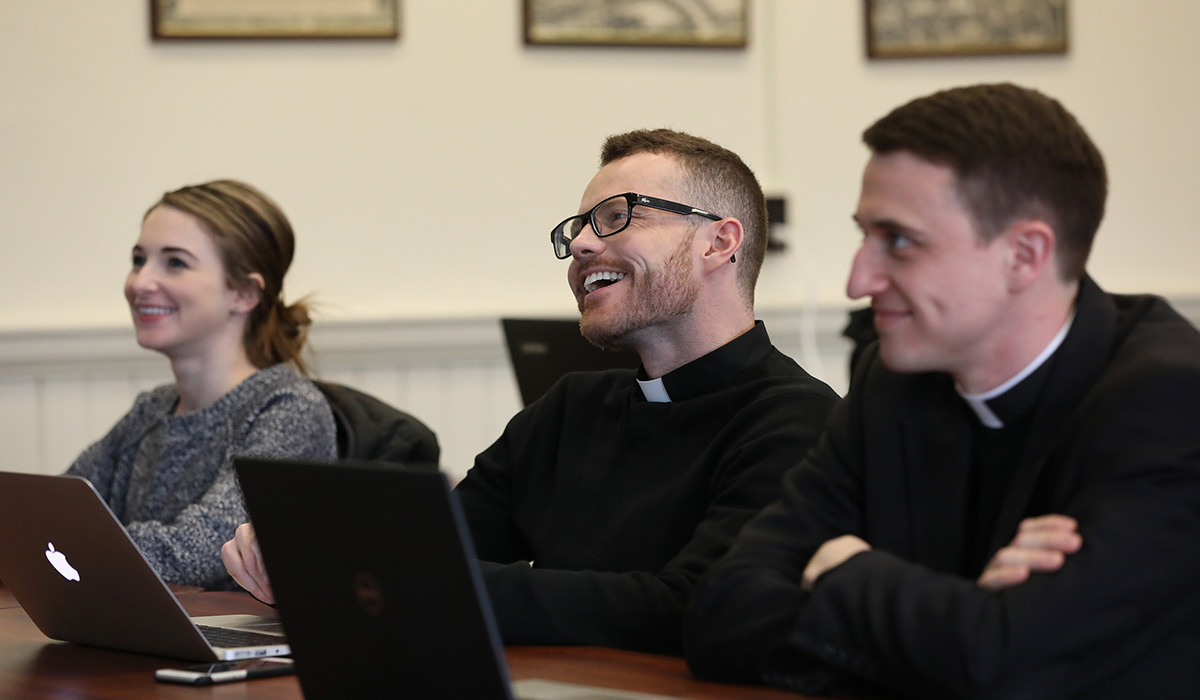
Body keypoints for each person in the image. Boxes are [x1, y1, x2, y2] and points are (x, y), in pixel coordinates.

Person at [223, 128, 839, 654]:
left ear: (719, 241)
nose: (580, 244)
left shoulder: (799, 424)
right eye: (578, 227)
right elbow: (440, 542)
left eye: (617, 216)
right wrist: (316, 552)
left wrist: (413, 578)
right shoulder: (570, 409)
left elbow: (692, 604)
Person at [684, 83, 1200, 698]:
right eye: (864, 236)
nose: (858, 280)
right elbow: (721, 613)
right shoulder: (892, 382)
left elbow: (1013, 664)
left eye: (899, 240)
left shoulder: (1171, 400)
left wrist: (847, 572)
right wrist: (969, 620)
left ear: (1024, 255)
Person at [67, 179, 337, 591]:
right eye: (139, 260)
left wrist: (62, 547)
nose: (139, 282)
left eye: (174, 262)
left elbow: (195, 553)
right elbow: (53, 513)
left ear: (244, 293)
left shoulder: (289, 410)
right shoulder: (152, 409)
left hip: (239, 653)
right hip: (143, 640)